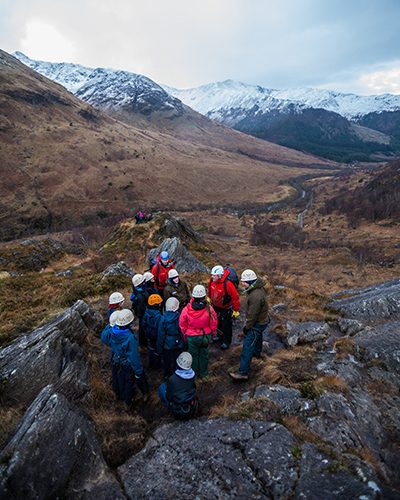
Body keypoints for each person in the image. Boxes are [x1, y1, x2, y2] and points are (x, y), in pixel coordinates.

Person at [101, 309, 149, 407]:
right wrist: (138, 371)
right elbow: (133, 357)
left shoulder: (111, 331)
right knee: (130, 381)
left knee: (121, 380)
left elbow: (104, 338)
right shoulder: (130, 338)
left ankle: (122, 397)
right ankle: (133, 399)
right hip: (127, 364)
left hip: (117, 360)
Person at [229, 270, 270, 381]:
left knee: (247, 346)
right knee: (258, 337)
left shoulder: (255, 296)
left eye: (244, 282)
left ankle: (242, 372)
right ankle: (257, 354)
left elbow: (252, 316)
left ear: (250, 281)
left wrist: (246, 328)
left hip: (257, 324)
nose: (242, 284)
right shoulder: (257, 288)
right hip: (262, 321)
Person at [179, 285, 217, 379]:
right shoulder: (209, 309)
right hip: (205, 335)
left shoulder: (186, 310)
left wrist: (185, 336)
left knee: (193, 356)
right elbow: (214, 323)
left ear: (193, 297)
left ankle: (194, 375)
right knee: (204, 354)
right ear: (204, 296)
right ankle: (204, 374)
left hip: (191, 337)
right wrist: (212, 335)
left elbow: (182, 325)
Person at [208, 265, 240, 350]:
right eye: (212, 275)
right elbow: (210, 290)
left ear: (219, 275)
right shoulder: (212, 281)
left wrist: (236, 310)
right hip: (216, 307)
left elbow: (235, 297)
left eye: (214, 275)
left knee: (227, 325)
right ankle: (219, 336)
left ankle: (226, 341)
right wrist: (209, 298)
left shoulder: (227, 284)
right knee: (218, 323)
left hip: (226, 308)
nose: (212, 277)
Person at [158, 352, 198, 420]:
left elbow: (169, 397)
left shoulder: (172, 379)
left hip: (177, 409)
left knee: (162, 387)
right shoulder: (193, 375)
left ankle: (169, 410)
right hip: (190, 405)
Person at [157, 297, 184, 379]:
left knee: (167, 361)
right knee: (177, 360)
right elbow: (182, 331)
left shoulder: (163, 318)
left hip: (167, 344)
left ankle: (167, 375)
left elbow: (160, 335)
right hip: (178, 343)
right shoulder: (179, 317)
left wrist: (159, 348)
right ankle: (178, 374)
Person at [143, 293, 163, 368]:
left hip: (149, 334)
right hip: (156, 335)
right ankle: (157, 364)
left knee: (151, 348)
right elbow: (160, 328)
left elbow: (143, 324)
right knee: (157, 350)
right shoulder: (159, 316)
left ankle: (151, 363)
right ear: (156, 304)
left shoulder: (146, 312)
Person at [130, 274, 148, 347]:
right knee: (143, 329)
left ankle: (142, 342)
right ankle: (143, 343)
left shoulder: (138, 291)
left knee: (142, 328)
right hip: (142, 314)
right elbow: (141, 307)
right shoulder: (140, 295)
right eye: (143, 282)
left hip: (141, 313)